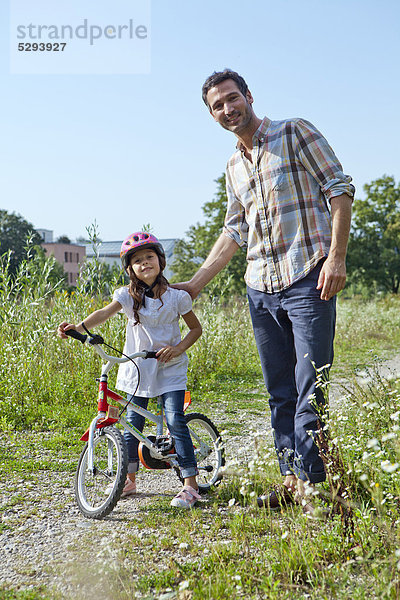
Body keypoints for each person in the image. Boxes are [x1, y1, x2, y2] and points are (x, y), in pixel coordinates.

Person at [177, 69, 355, 515]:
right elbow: (235, 230)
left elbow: (339, 189)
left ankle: (317, 485)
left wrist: (337, 257)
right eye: (217, 106)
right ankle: (292, 480)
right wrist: (195, 285)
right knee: (280, 390)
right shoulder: (233, 166)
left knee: (310, 383)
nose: (227, 109)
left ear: (249, 96)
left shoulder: (294, 132)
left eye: (232, 99)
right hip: (260, 288)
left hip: (308, 279)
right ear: (211, 115)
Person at [58, 232, 202, 509]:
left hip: (169, 366)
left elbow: (195, 328)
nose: (145, 262)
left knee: (174, 420)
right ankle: (129, 480)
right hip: (136, 368)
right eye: (137, 260)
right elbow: (103, 312)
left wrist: (179, 348)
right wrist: (79, 327)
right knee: (130, 426)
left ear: (160, 261)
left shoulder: (176, 298)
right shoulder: (126, 296)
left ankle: (190, 485)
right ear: (130, 269)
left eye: (150, 257)